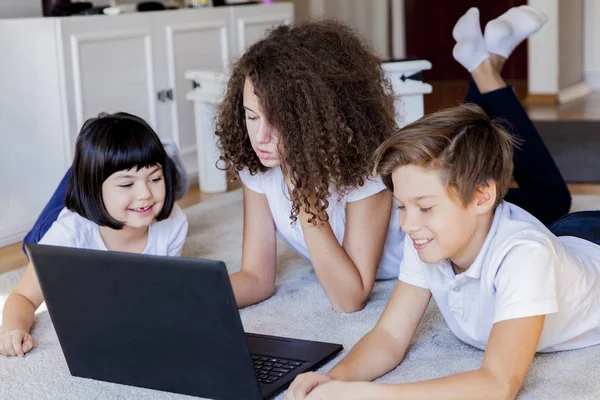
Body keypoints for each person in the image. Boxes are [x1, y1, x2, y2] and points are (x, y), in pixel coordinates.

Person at [286, 7, 598, 400]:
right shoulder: (429, 238)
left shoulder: (524, 256)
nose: (407, 224)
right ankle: (490, 61)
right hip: (565, 241)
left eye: (424, 206)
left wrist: (364, 396)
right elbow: (389, 335)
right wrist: (338, 377)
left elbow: (498, 384)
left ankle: (489, 61)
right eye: (402, 206)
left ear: (483, 195)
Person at [215, 20, 403, 312]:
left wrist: (304, 193)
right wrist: (187, 302)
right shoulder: (260, 164)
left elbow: (349, 299)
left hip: (396, 272)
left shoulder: (366, 168)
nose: (260, 138)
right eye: (252, 117)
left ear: (314, 119)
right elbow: (256, 277)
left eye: (277, 122)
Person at [1, 112, 188, 357]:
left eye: (155, 178)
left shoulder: (174, 223)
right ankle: (84, 172)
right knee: (76, 188)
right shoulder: (66, 235)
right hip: (62, 222)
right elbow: (23, 297)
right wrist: (13, 329)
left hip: (106, 200)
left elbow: (161, 291)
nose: (146, 194)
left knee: (120, 174)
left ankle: (152, 165)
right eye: (127, 184)